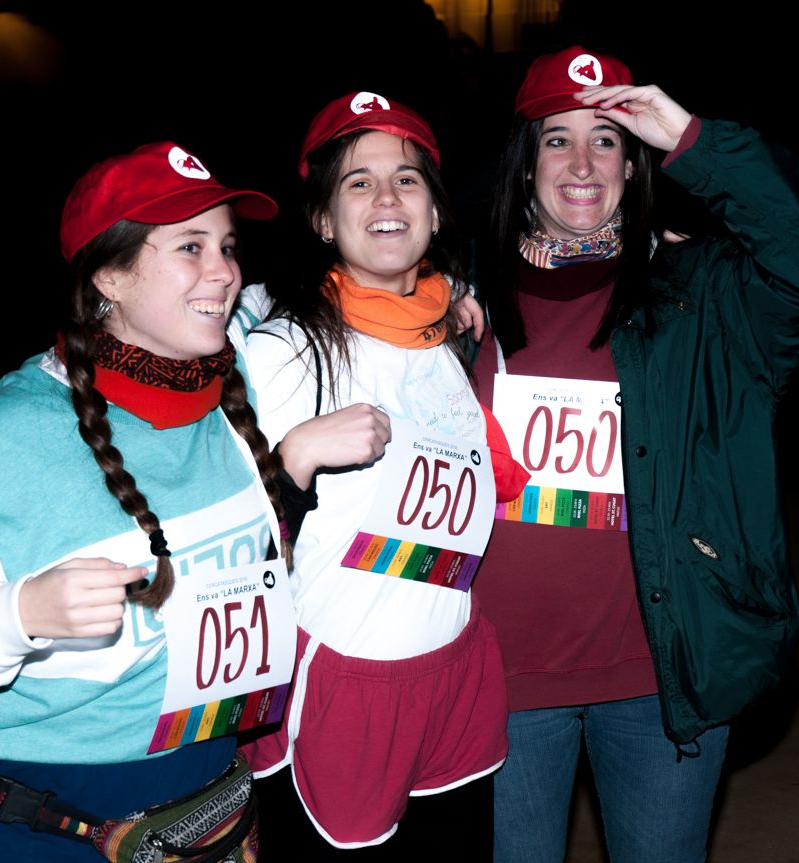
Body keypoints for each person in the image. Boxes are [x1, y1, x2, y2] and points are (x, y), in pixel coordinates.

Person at [472, 46, 799, 862]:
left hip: (659, 677)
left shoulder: (704, 294)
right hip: (498, 678)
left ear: (636, 162)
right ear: (524, 162)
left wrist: (694, 140)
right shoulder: (457, 300)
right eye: (557, 138)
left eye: (606, 139)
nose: (582, 162)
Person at [0, 142, 285, 859]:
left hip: (210, 805)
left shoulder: (235, 386)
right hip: (44, 818)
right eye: (190, 246)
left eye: (228, 245)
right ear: (109, 273)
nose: (224, 271)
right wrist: (19, 615)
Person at [241, 92, 523, 857]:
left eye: (407, 178)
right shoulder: (284, 348)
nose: (387, 196)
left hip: (455, 669)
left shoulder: (452, 334)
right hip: (345, 686)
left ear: (434, 211)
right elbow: (235, 543)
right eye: (357, 181)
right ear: (325, 220)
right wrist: (292, 458)